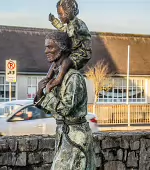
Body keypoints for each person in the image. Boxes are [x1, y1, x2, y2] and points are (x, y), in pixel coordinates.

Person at [34, 32, 95, 170]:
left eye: (50, 47)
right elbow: (52, 109)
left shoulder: (73, 78)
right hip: (64, 135)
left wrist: (48, 94)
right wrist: (39, 93)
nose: (46, 51)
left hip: (76, 137)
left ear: (61, 48)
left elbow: (66, 109)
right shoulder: (56, 77)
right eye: (46, 47)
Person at [45, 0, 92, 94]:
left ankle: (58, 79)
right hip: (73, 50)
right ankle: (47, 78)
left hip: (82, 52)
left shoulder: (77, 24)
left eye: (61, 14)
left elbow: (67, 34)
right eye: (58, 15)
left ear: (69, 12)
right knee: (56, 62)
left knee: (66, 61)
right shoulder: (70, 25)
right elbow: (63, 30)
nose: (60, 17)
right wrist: (54, 21)